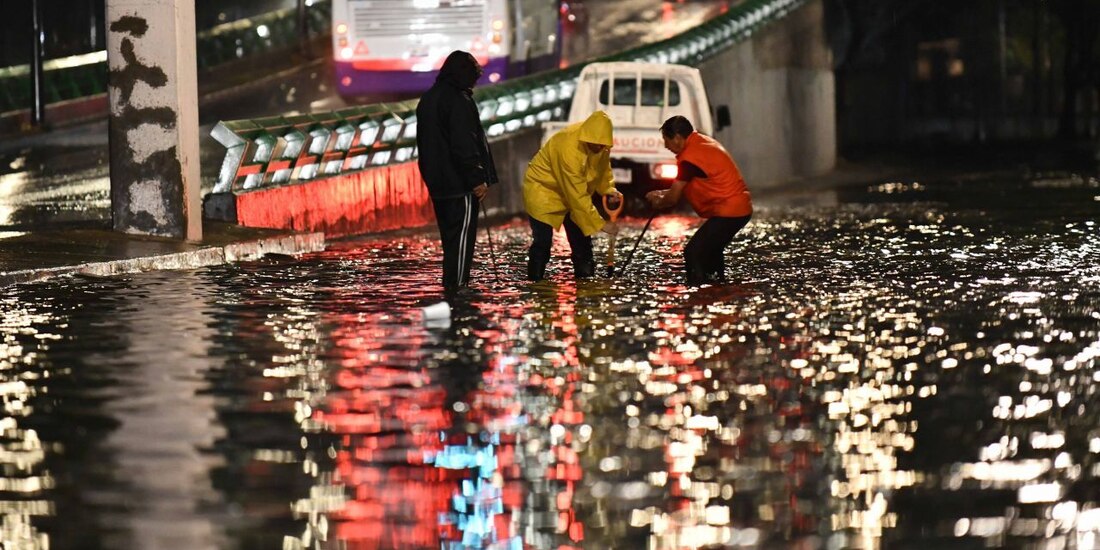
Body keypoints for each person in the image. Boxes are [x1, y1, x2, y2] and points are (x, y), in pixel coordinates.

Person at [416, 50, 499, 291]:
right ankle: (457, 289)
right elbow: (463, 145)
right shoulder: (458, 100)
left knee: (450, 241)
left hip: (437, 184)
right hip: (459, 185)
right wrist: (477, 179)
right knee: (461, 241)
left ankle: (450, 286)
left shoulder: (428, 99)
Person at [645, 115, 752, 285]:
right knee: (711, 250)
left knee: (694, 252)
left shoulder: (689, 158)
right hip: (738, 209)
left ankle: (698, 291)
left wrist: (660, 201)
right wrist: (661, 193)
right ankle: (718, 288)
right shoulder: (701, 143)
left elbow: (673, 198)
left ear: (678, 138)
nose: (666, 146)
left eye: (666, 140)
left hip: (729, 211)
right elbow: (683, 187)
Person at [523, 110, 623, 281]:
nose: (599, 148)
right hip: (544, 190)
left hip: (573, 195)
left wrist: (608, 189)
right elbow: (576, 195)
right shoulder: (568, 147)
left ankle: (586, 283)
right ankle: (535, 283)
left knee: (582, 243)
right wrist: (601, 224)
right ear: (587, 137)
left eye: (602, 145)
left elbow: (602, 170)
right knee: (543, 243)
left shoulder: (601, 146)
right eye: (596, 144)